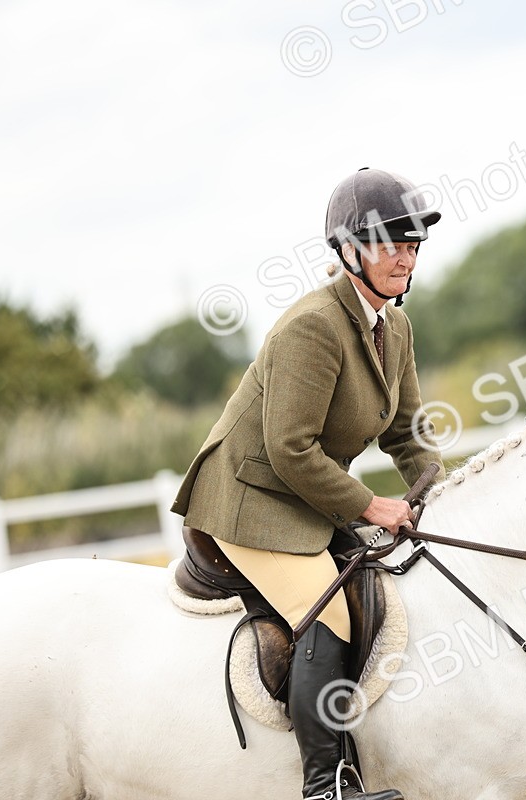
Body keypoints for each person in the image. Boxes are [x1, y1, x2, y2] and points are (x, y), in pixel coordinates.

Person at [171, 167, 445, 800]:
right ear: (349, 250)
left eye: (412, 243)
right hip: (247, 499)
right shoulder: (313, 326)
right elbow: (289, 449)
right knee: (330, 605)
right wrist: (372, 503)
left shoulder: (394, 326)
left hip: (299, 497)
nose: (404, 256)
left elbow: (404, 431)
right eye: (388, 243)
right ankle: (325, 787)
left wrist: (441, 491)